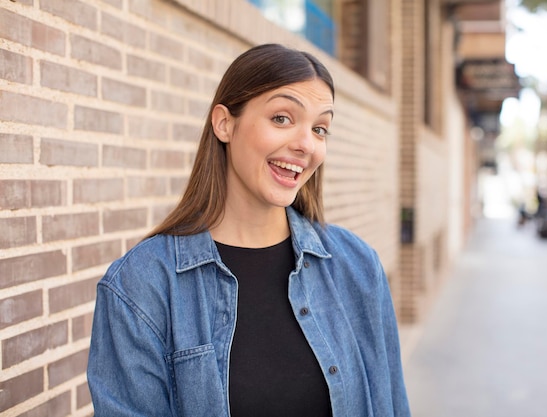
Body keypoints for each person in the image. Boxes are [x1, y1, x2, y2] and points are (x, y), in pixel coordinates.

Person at [87, 43, 411, 417]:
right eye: (282, 119)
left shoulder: (357, 266)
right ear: (225, 123)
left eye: (320, 128)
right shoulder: (143, 285)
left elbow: (391, 406)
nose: (306, 144)